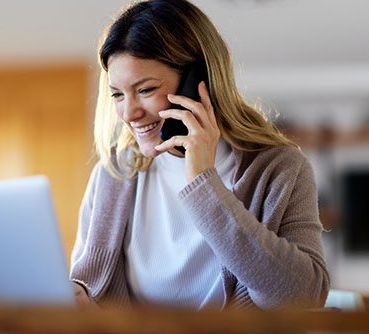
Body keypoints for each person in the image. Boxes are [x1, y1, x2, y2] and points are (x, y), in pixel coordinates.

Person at [70, 0, 329, 310]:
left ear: (199, 81)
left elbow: (303, 297)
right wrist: (82, 299)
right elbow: (93, 292)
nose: (129, 112)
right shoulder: (113, 175)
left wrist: (203, 183)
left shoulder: (279, 170)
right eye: (117, 94)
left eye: (145, 90)